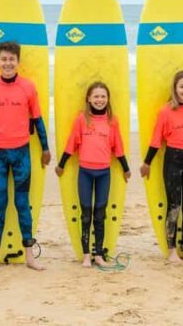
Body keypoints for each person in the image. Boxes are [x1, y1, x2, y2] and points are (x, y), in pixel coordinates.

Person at [0, 41, 51, 270]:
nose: (7, 63)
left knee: (22, 203)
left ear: (18, 62)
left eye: (11, 59)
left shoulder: (28, 87)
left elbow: (37, 119)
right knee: (0, 203)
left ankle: (30, 256)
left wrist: (45, 147)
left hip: (22, 153)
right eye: (3, 59)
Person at [57, 82, 131, 267]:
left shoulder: (112, 121)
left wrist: (126, 168)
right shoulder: (81, 120)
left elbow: (118, 147)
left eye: (103, 96)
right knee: (86, 214)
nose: (100, 100)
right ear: (88, 99)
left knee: (100, 214)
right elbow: (72, 143)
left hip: (104, 173)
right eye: (96, 96)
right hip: (85, 172)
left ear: (108, 99)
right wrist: (62, 163)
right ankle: (86, 255)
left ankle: (98, 254)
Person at [140, 70, 183, 263]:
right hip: (172, 159)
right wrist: (147, 162)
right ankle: (171, 250)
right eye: (182, 87)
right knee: (174, 206)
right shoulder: (166, 111)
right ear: (175, 88)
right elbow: (156, 139)